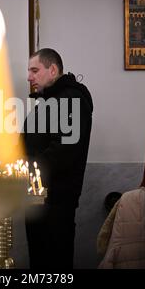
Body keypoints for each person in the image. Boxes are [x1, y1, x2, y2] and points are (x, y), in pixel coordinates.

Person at [22, 48, 93, 268]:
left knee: (53, 261)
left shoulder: (72, 99)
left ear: (53, 70)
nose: (29, 77)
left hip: (55, 200)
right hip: (38, 195)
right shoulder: (49, 101)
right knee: (39, 261)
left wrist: (27, 168)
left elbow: (64, 151)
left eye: (35, 70)